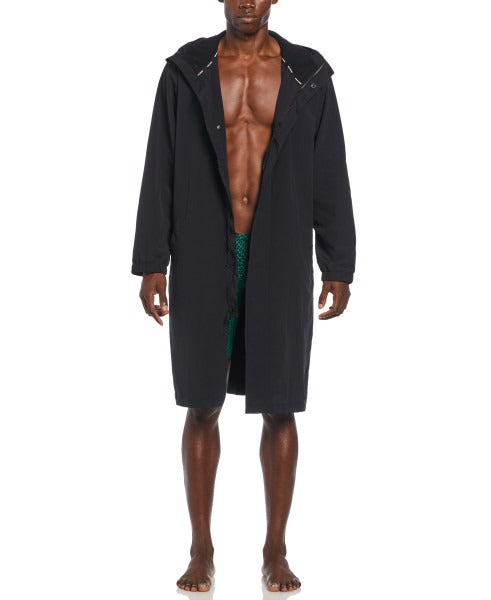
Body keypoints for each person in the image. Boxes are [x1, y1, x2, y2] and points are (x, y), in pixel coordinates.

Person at [131, 0, 356, 592]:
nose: (248, 2)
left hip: (280, 249)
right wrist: (151, 261)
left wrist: (338, 264)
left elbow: (329, 169)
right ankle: (201, 548)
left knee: (280, 404)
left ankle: (275, 550)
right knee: (201, 401)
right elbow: (160, 163)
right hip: (204, 248)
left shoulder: (309, 73)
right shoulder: (186, 70)